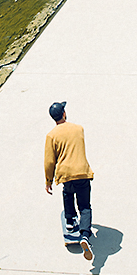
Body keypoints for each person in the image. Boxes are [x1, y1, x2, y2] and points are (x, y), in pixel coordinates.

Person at [45, 101, 94, 260]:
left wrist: (48, 181)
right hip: (82, 172)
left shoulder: (51, 136)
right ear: (64, 113)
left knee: (67, 193)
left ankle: (70, 221)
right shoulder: (79, 128)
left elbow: (49, 161)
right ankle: (85, 235)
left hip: (66, 174)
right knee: (85, 206)